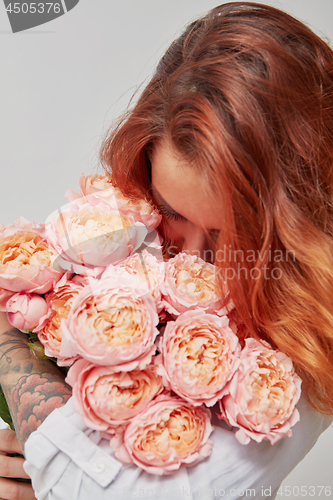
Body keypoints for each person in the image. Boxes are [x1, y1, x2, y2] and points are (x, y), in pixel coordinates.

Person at [1, 2, 333, 499]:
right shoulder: (127, 240)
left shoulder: (312, 334)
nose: (193, 257)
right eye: (172, 211)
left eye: (229, 235)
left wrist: (7, 344)